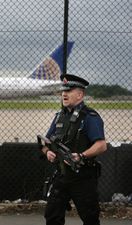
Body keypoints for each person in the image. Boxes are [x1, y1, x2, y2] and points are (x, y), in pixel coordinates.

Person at [41, 74, 107, 225]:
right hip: (62, 175)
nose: (64, 94)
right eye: (63, 91)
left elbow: (101, 145)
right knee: (52, 216)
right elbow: (45, 142)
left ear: (80, 94)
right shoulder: (59, 116)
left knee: (90, 218)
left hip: (83, 177)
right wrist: (47, 152)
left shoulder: (90, 116)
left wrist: (81, 155)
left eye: (69, 91)